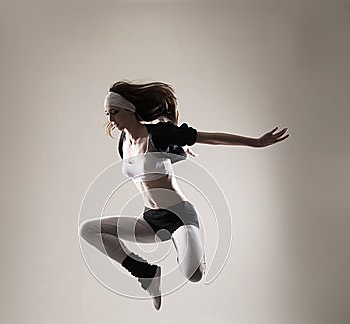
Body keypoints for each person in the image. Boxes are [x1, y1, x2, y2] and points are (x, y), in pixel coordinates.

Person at [79, 80, 289, 311]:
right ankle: (145, 273)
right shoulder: (123, 143)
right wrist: (176, 150)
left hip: (178, 216)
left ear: (130, 109)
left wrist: (255, 142)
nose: (111, 120)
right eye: (108, 114)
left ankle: (192, 247)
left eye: (115, 113)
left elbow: (209, 137)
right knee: (88, 229)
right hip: (150, 220)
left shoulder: (159, 133)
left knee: (194, 275)